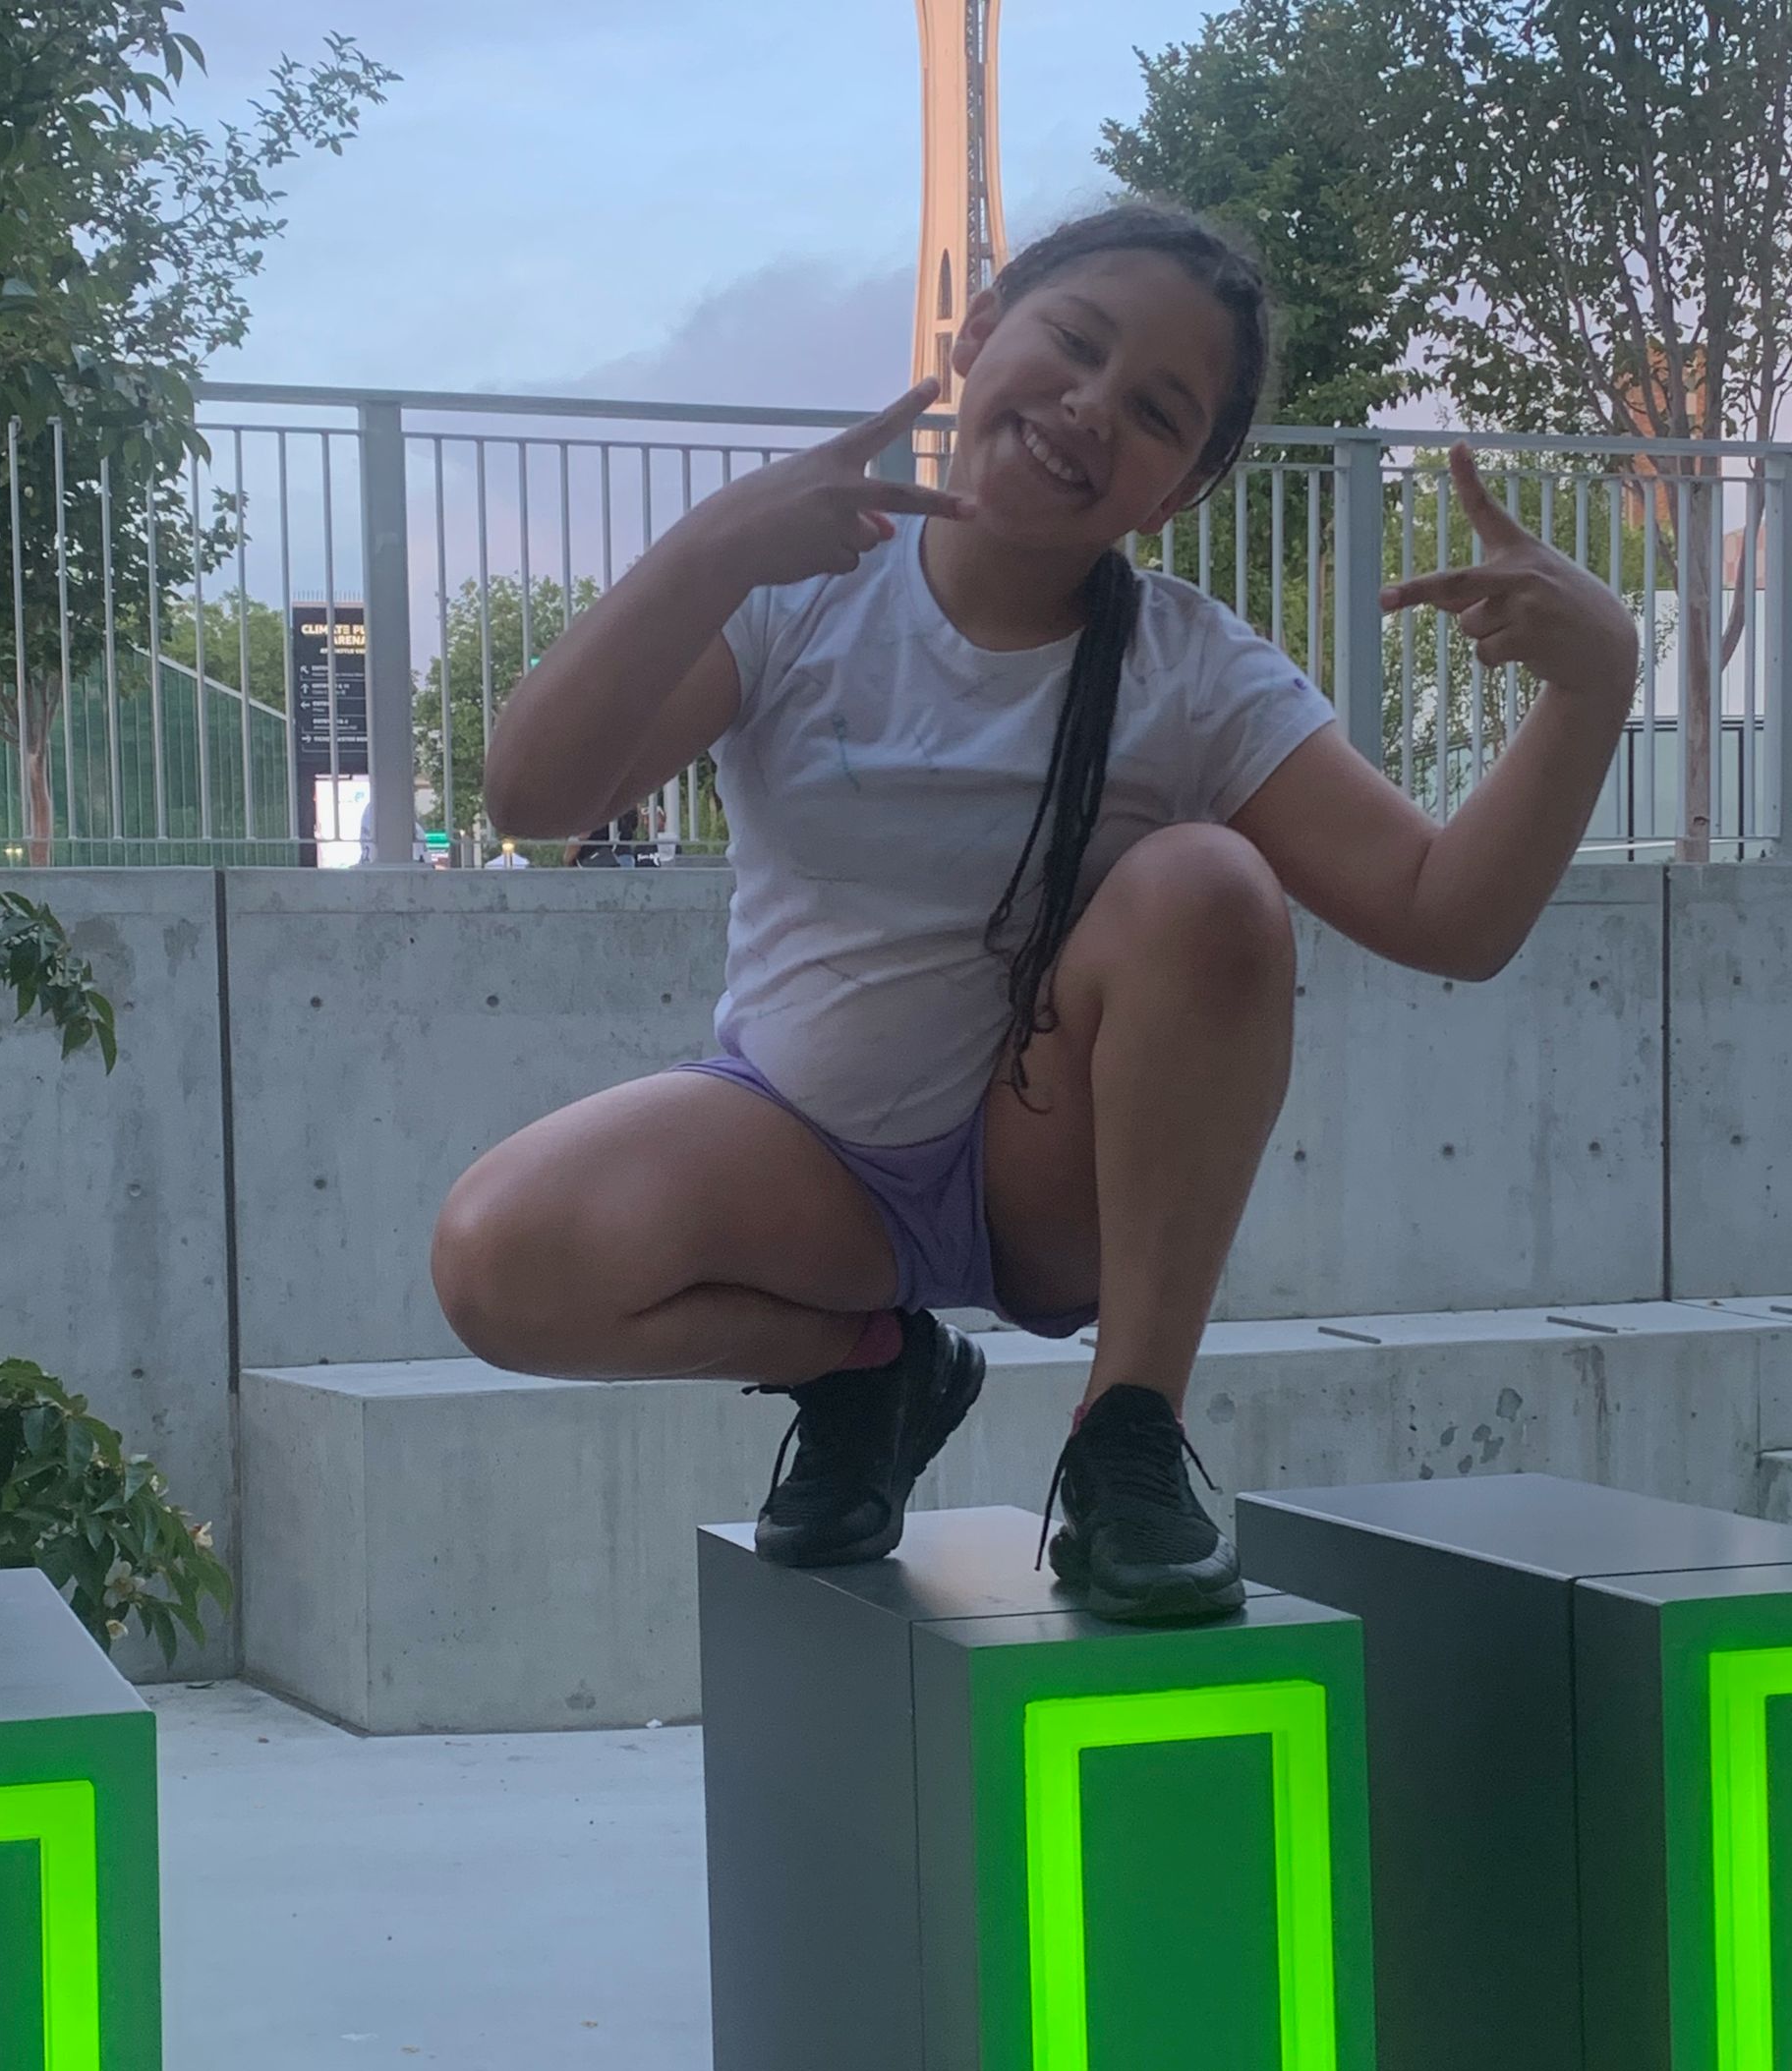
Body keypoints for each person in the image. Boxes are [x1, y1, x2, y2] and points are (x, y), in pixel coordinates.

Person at [434, 199, 1638, 1625]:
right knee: (496, 1262)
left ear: (1178, 491)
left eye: (1157, 411)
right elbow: (536, 799)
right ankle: (872, 1368)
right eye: (1075, 342)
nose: (1090, 406)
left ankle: (1130, 1433)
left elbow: (1450, 916)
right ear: (981, 333)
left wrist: (1593, 684)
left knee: (1211, 884)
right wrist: (710, 552)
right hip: (806, 1160)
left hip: (1044, 1181)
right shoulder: (800, 601)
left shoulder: (1193, 672)